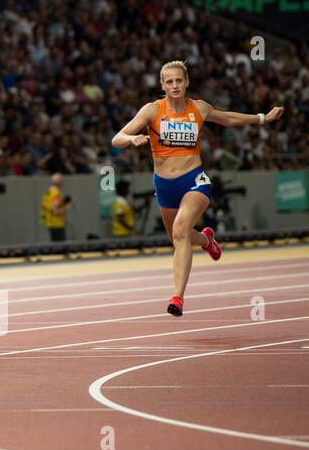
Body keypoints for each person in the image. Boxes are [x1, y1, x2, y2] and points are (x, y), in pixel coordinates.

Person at [111, 59, 282, 316]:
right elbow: (116, 138)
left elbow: (227, 119)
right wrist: (132, 138)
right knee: (178, 238)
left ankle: (177, 298)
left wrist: (262, 118)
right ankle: (205, 239)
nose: (175, 85)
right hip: (164, 184)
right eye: (169, 82)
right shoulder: (151, 110)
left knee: (181, 229)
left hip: (193, 179)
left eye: (179, 80)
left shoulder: (198, 108)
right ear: (162, 85)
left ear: (187, 82)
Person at [40, 173, 72, 242]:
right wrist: (67, 208)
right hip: (57, 224)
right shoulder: (56, 194)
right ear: (60, 183)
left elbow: (50, 205)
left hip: (50, 223)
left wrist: (62, 203)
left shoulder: (48, 192)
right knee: (60, 248)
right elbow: (55, 211)